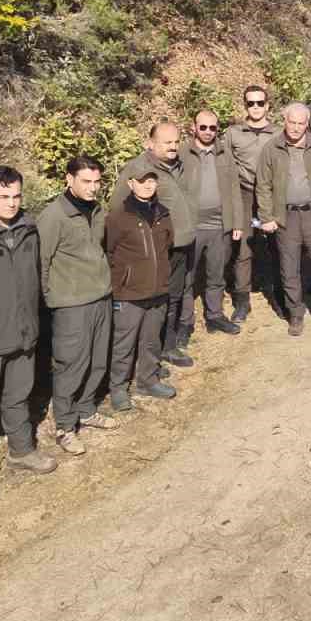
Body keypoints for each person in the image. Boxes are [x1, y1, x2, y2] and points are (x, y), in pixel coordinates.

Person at [0, 167, 58, 501]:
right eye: (3, 196)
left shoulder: (28, 228)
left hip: (24, 330)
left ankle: (21, 449)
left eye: (16, 196)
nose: (11, 203)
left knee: (19, 394)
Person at [37, 155, 117, 456]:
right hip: (71, 304)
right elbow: (41, 262)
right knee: (71, 365)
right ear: (69, 180)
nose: (92, 188)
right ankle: (65, 426)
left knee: (98, 361)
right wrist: (49, 300)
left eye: (97, 182)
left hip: (100, 297)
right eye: (86, 181)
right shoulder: (53, 216)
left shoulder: (97, 210)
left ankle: (86, 409)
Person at [257, 102, 311, 338]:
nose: (296, 128)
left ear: (307, 124)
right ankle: (295, 313)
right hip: (285, 218)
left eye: (301, 123)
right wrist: (266, 217)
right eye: (292, 122)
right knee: (289, 269)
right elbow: (263, 185)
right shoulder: (271, 148)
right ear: (284, 121)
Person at [114, 122, 196, 368]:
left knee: (173, 297)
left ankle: (167, 347)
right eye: (167, 142)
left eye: (176, 142)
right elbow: (118, 208)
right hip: (156, 250)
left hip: (181, 245)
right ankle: (148, 357)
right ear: (150, 144)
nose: (173, 147)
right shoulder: (138, 169)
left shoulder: (180, 164)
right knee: (154, 303)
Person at [105, 166, 180, 409]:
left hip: (158, 289)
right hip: (129, 292)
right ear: (130, 184)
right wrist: (124, 279)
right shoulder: (118, 217)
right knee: (124, 344)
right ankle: (118, 388)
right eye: (142, 181)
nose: (147, 185)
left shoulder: (163, 213)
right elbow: (109, 251)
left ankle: (148, 381)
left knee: (151, 340)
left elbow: (168, 245)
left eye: (152, 181)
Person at [176, 109, 244, 336]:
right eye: (203, 127)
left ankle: (215, 316)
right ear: (193, 127)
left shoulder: (224, 153)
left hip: (219, 226)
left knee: (216, 274)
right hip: (191, 226)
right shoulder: (181, 153)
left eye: (212, 127)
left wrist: (237, 222)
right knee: (187, 277)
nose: (207, 131)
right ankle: (185, 322)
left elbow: (234, 188)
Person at [223, 85, 279, 321]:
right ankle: (242, 300)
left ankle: (278, 294)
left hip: (272, 197)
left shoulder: (279, 133)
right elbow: (225, 166)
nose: (255, 107)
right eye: (250, 103)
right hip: (244, 195)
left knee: (277, 246)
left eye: (260, 103)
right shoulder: (233, 134)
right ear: (245, 105)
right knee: (243, 249)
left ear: (267, 105)